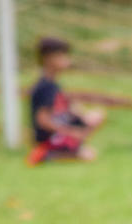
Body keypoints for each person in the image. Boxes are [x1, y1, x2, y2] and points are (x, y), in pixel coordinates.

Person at [27, 37, 105, 165]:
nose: (67, 60)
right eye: (62, 56)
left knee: (95, 116)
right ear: (49, 58)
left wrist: (82, 115)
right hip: (50, 137)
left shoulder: (54, 84)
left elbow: (65, 108)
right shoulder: (45, 86)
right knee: (88, 155)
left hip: (61, 132)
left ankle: (72, 148)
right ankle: (47, 153)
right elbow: (42, 120)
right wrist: (71, 132)